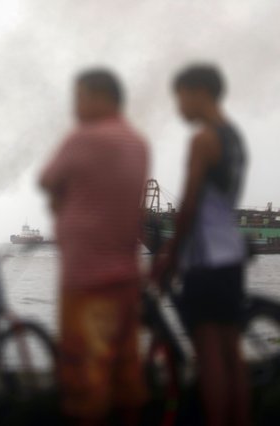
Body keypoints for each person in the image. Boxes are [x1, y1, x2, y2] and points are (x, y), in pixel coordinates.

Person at [40, 69, 149, 425]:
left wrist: (61, 202)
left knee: (85, 380)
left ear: (100, 97)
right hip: (126, 279)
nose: (76, 107)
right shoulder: (138, 142)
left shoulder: (84, 139)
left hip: (87, 280)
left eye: (80, 97)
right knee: (125, 378)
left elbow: (46, 179)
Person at [152, 64, 250, 426]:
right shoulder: (234, 137)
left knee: (210, 358)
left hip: (206, 260)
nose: (179, 107)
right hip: (231, 258)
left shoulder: (203, 139)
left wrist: (169, 255)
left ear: (199, 92)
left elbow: (189, 205)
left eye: (179, 97)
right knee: (231, 356)